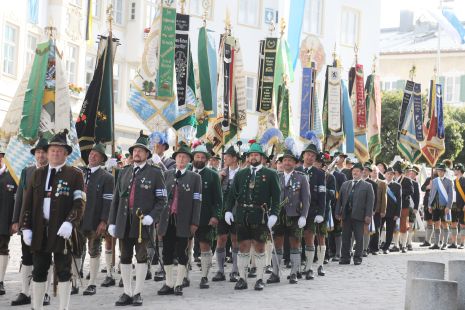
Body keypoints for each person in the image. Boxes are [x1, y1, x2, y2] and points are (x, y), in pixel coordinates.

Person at [21, 130, 85, 310]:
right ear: (47, 153)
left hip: (62, 230)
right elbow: (27, 204)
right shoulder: (37, 174)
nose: (55, 153)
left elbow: (79, 202)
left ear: (66, 154)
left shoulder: (75, 174)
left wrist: (70, 222)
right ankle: (37, 306)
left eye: (59, 150)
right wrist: (26, 227)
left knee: (64, 271)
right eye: (52, 150)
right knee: (39, 270)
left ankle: (63, 308)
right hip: (40, 231)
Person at [108, 131, 167, 306]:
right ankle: (127, 291)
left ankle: (138, 292)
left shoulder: (155, 173)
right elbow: (116, 199)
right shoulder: (124, 172)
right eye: (134, 150)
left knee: (141, 257)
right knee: (124, 257)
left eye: (141, 151)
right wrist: (112, 221)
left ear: (147, 154)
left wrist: (152, 216)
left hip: (142, 224)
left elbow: (162, 200)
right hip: (123, 222)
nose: (136, 153)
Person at [224, 143, 281, 291]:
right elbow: (231, 194)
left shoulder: (271, 174)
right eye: (251, 155)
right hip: (242, 215)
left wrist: (274, 214)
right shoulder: (240, 174)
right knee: (242, 247)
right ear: (248, 158)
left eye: (256, 155)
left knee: (260, 247)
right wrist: (228, 210)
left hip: (260, 215)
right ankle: (242, 278)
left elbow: (276, 198)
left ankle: (260, 279)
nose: (253, 157)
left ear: (261, 157)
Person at [157, 143, 202, 296]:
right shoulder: (167, 174)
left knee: (182, 251)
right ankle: (168, 282)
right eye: (179, 156)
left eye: (185, 157)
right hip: (167, 219)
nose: (182, 159)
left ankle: (179, 283)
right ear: (175, 158)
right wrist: (158, 219)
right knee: (167, 251)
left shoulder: (195, 177)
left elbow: (197, 201)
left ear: (189, 161)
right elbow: (160, 198)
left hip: (184, 220)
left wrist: (195, 221)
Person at [10, 138, 51, 306]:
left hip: (47, 223)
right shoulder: (27, 171)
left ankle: (45, 293)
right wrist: (15, 220)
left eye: (43, 152)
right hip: (28, 222)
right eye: (38, 152)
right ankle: (25, 292)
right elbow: (20, 197)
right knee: (26, 257)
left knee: (45, 258)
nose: (40, 155)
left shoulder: (53, 171)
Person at [266, 149, 309, 285]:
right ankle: (275, 273)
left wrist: (304, 216)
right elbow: (270, 196)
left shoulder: (301, 177)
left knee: (295, 244)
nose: (287, 162)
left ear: (295, 163)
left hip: (294, 215)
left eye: (290, 160)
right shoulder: (276, 176)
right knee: (277, 244)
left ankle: (294, 273)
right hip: (278, 215)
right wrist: (270, 214)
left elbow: (306, 199)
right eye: (284, 160)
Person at [79, 143, 114, 296]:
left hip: (95, 220)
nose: (92, 156)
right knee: (76, 251)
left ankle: (92, 283)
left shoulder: (107, 177)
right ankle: (74, 282)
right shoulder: (79, 172)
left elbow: (108, 201)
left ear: (102, 160)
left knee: (94, 250)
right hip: (77, 219)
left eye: (96, 155)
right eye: (91, 153)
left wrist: (104, 221)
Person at [190, 144, 222, 289]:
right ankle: (184, 276)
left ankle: (204, 276)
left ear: (207, 160)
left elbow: (218, 199)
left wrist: (216, 216)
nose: (200, 159)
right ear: (193, 157)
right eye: (197, 156)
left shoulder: (213, 175)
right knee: (184, 246)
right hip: (186, 216)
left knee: (205, 246)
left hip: (205, 217)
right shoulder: (186, 173)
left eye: (203, 157)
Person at [296, 144, 326, 280]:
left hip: (312, 210)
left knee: (309, 238)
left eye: (313, 155)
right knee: (295, 239)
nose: (310, 157)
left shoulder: (319, 173)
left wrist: (321, 212)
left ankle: (308, 268)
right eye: (308, 154)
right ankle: (296, 267)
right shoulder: (295, 171)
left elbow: (322, 194)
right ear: (303, 156)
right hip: (296, 211)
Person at [336, 163, 374, 265]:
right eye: (353, 171)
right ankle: (345, 257)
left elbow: (370, 202)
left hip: (360, 216)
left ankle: (358, 258)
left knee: (359, 238)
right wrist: (337, 212)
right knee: (345, 237)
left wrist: (368, 216)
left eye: (357, 171)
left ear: (362, 173)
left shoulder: (368, 186)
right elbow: (340, 200)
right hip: (346, 215)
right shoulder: (345, 184)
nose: (355, 172)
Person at [214, 145, 241, 282]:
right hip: (223, 210)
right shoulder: (221, 172)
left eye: (228, 157)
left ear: (235, 158)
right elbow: (216, 191)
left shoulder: (243, 172)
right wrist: (219, 178)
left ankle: (235, 270)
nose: (225, 159)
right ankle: (220, 270)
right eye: (224, 157)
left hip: (237, 211)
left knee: (236, 240)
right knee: (221, 239)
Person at [0, 146, 17, 296]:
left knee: (2, 249)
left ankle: (0, 280)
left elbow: (18, 201)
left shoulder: (12, 176)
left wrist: (15, 221)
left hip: (4, 221)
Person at [427, 163, 453, 250]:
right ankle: (436, 243)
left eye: (441, 171)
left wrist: (448, 206)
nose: (440, 172)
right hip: (435, 205)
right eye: (438, 171)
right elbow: (431, 194)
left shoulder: (449, 181)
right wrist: (429, 205)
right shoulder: (434, 181)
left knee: (445, 224)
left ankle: (445, 243)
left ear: (444, 172)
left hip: (444, 206)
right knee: (436, 224)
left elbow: (450, 195)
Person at [393, 161, 413, 253]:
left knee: (404, 226)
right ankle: (396, 245)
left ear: (398, 172)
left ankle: (404, 245)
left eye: (395, 171)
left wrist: (400, 192)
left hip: (404, 206)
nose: (393, 173)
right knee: (394, 226)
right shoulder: (392, 180)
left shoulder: (406, 179)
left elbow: (411, 191)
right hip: (394, 206)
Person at [381, 167, 402, 254]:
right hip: (381, 211)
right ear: (385, 174)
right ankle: (374, 247)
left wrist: (397, 213)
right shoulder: (381, 184)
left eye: (391, 174)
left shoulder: (397, 186)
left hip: (392, 212)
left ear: (394, 175)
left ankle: (386, 248)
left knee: (390, 231)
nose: (389, 175)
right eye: (388, 174)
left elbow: (399, 200)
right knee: (378, 230)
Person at [369, 165, 387, 255]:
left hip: (377, 210)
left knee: (376, 229)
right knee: (367, 229)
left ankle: (375, 248)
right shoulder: (366, 182)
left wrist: (383, 210)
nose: (375, 173)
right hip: (368, 210)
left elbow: (384, 198)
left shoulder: (382, 183)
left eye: (376, 172)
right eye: (373, 171)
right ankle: (367, 247)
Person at [362, 163, 377, 257]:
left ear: (369, 172)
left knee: (366, 230)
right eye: (363, 169)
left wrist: (373, 210)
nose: (364, 171)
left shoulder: (373, 184)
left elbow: (375, 199)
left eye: (367, 170)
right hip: (356, 209)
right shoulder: (354, 181)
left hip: (367, 210)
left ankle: (364, 248)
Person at [406, 165, 420, 251]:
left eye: (412, 172)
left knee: (411, 225)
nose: (410, 173)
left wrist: (416, 208)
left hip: (412, 206)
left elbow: (417, 197)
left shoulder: (415, 183)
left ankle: (409, 242)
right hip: (404, 206)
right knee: (403, 225)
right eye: (409, 171)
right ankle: (402, 242)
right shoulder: (402, 181)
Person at [453, 164, 465, 249]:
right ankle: (458, 243)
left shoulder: (464, 180)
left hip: (463, 205)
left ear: (459, 170)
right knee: (460, 223)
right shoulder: (455, 181)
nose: (454, 171)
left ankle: (462, 243)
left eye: (455, 170)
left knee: (463, 224)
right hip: (458, 205)